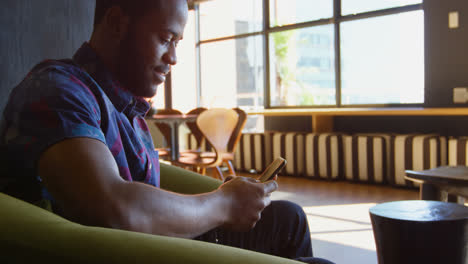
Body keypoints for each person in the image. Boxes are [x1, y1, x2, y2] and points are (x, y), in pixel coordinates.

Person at [0, 1, 333, 263]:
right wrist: (223, 204)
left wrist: (222, 202)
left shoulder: (127, 107)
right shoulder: (57, 89)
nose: (173, 58)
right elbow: (113, 209)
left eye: (178, 42)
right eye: (165, 38)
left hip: (151, 240)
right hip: (112, 251)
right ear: (117, 23)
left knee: (286, 218)